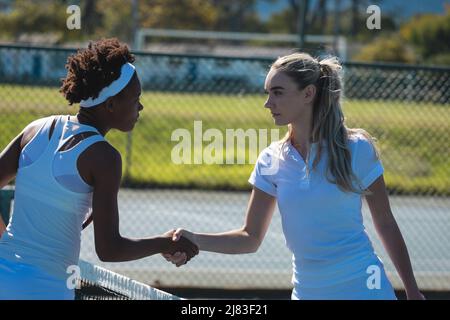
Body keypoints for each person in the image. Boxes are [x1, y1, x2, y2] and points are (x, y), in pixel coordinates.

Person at [165, 52, 424, 300]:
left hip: (365, 289)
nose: (268, 103)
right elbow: (250, 238)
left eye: (277, 93)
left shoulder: (357, 148)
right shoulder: (271, 159)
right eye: (268, 93)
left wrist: (412, 290)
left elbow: (385, 222)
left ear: (308, 94)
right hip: (307, 293)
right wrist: (194, 240)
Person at [0, 38, 198, 300]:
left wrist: (7, 242)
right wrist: (165, 243)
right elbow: (109, 249)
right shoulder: (105, 158)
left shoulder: (36, 128)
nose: (140, 107)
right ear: (111, 104)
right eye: (136, 98)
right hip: (45, 289)